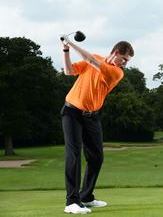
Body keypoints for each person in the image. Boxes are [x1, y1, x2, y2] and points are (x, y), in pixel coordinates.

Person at [60, 36, 134, 214]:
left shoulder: (117, 72)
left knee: (96, 158)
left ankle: (86, 196)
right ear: (116, 53)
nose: (125, 63)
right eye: (124, 59)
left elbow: (90, 60)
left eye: (127, 61)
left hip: (92, 117)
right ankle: (72, 202)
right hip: (72, 112)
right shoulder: (95, 58)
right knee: (74, 155)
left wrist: (69, 42)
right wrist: (65, 49)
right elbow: (68, 71)